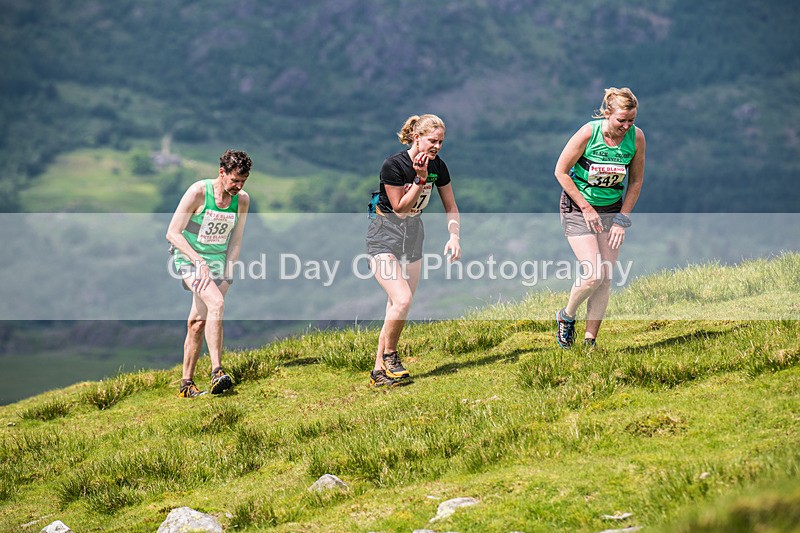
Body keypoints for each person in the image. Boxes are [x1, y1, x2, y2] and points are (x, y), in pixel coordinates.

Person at [365, 114, 462, 387]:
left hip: (413, 235)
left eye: (441, 141)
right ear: (416, 137)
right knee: (403, 299)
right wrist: (419, 180)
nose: (437, 146)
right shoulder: (393, 165)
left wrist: (454, 236)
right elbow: (399, 207)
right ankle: (391, 355)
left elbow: (451, 206)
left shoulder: (438, 166)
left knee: (395, 306)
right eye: (433, 140)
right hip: (384, 233)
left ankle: (379, 372)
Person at [553, 87, 646, 348]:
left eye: (631, 120)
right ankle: (566, 315)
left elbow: (636, 182)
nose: (626, 126)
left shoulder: (637, 138)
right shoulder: (588, 133)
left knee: (605, 278)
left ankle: (590, 341)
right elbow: (561, 172)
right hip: (578, 207)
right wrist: (586, 207)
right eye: (621, 121)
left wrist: (622, 219)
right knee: (593, 274)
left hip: (611, 211)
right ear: (607, 114)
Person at [166, 149, 252, 397]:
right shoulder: (198, 192)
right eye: (234, 180)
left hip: (218, 262)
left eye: (242, 181)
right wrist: (198, 261)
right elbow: (173, 232)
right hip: (189, 258)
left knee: (196, 323)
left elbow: (236, 240)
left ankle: (186, 385)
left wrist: (228, 273)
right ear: (221, 172)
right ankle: (217, 371)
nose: (237, 186)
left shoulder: (242, 200)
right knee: (216, 303)